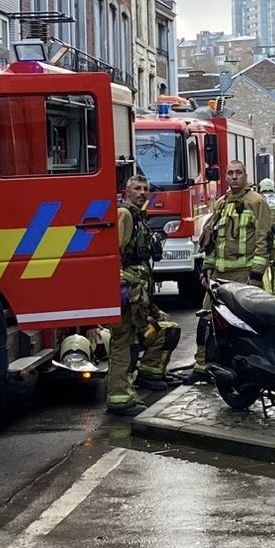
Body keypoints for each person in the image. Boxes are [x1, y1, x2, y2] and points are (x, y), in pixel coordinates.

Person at [109, 175, 165, 417]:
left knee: (152, 332)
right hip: (129, 293)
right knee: (123, 342)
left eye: (145, 189)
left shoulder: (139, 216)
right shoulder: (125, 215)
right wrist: (125, 285)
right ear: (126, 192)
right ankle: (119, 398)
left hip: (139, 294)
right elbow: (114, 254)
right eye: (137, 189)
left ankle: (133, 386)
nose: (142, 193)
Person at [198, 161, 272, 324]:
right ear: (225, 177)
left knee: (249, 323)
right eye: (230, 173)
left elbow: (264, 239)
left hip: (245, 275)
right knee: (207, 322)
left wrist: (256, 273)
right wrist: (207, 267)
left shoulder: (256, 202)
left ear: (245, 176)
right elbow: (213, 239)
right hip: (219, 276)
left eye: (238, 173)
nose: (234, 177)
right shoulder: (221, 204)